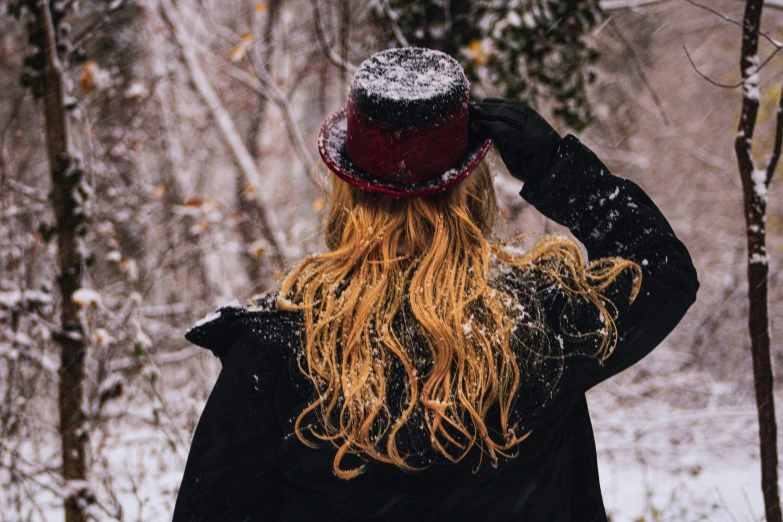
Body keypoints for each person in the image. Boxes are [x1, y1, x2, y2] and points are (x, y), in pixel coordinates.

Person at [172, 47, 699, 522]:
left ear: (345, 191)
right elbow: (662, 271)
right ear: (471, 187)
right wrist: (554, 166)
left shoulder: (279, 346)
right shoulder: (539, 323)